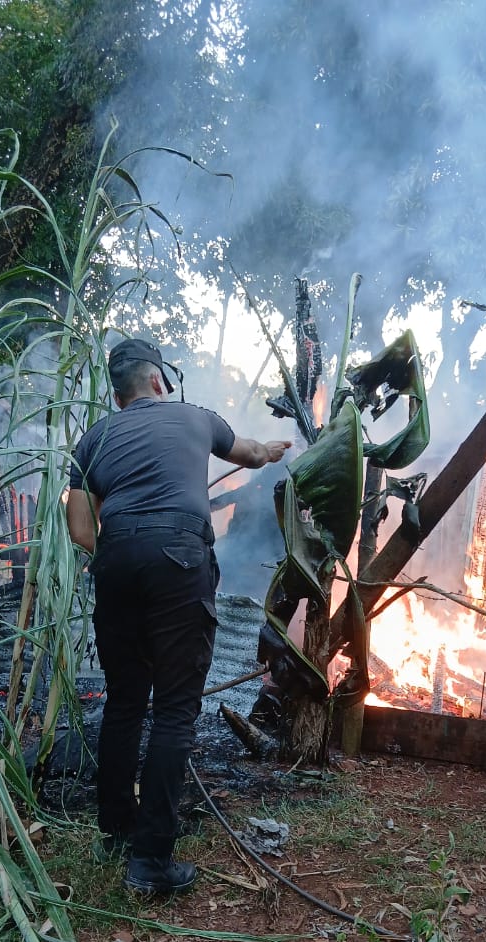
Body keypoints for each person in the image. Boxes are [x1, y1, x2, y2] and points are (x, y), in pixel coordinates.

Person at [66, 337, 291, 894]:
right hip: (179, 558)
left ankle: (116, 826)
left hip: (115, 563)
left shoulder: (91, 441)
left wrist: (123, 555)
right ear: (160, 382)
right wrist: (274, 448)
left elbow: (80, 530)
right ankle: (150, 863)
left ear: (119, 396)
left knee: (124, 701)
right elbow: (251, 454)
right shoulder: (196, 417)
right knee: (173, 710)